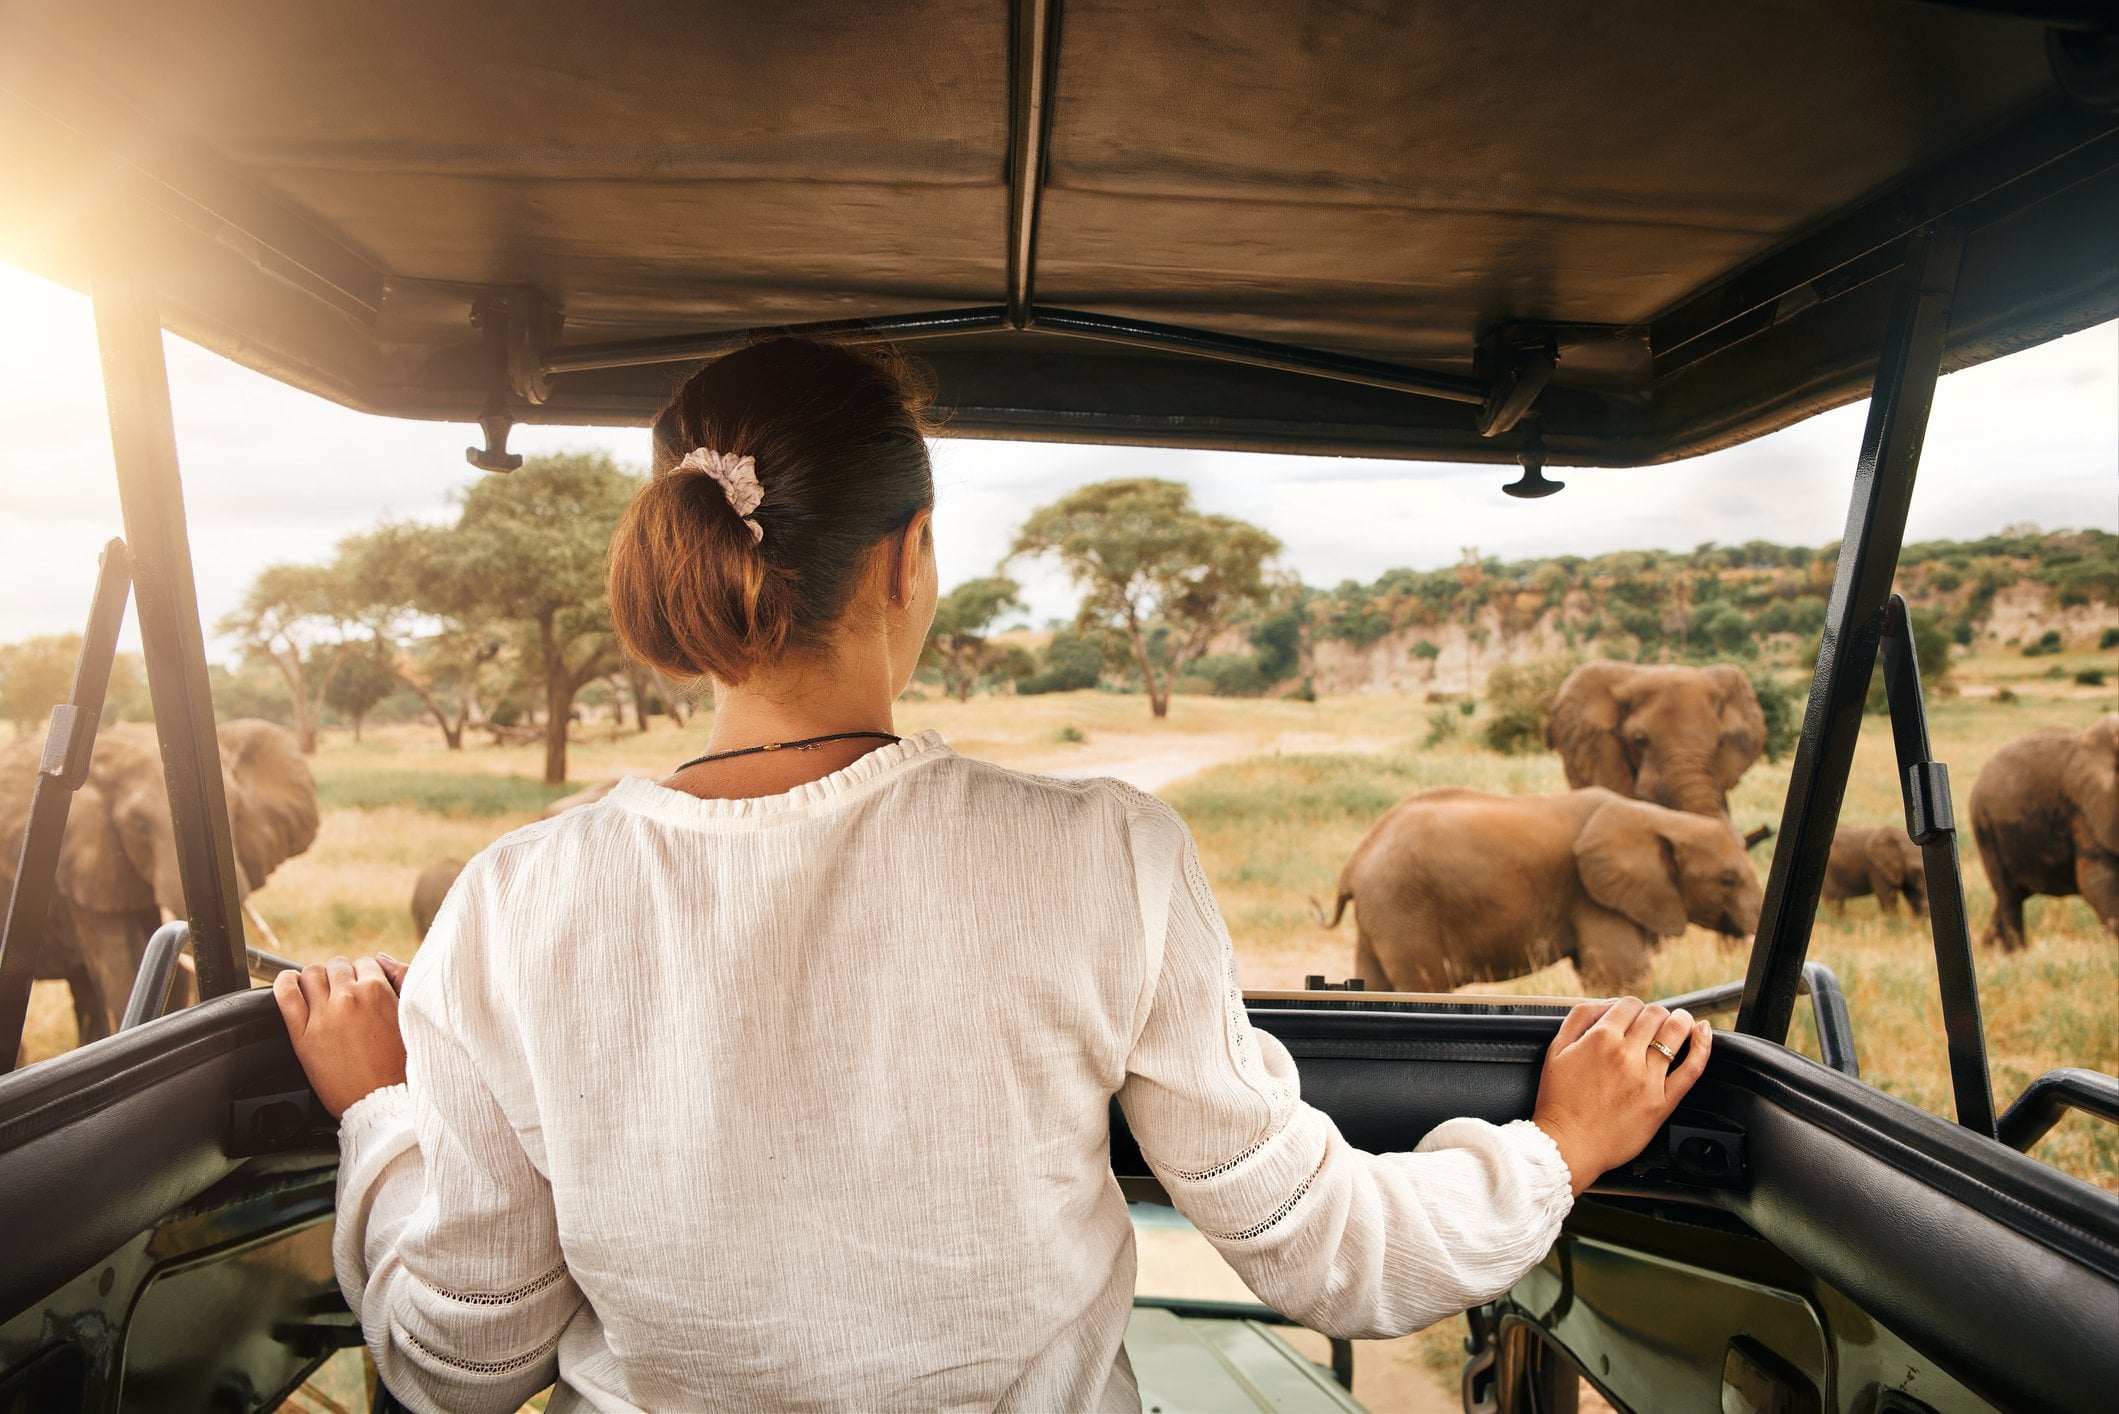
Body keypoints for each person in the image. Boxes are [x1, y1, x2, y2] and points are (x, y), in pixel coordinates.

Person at [275, 337, 1712, 1413]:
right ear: (911, 560)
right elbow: (1326, 1252)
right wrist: (1557, 1148)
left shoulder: (513, 904)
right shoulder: (1103, 854)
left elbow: (458, 1359)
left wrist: (384, 1108)